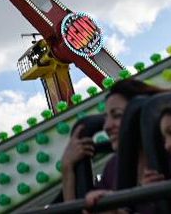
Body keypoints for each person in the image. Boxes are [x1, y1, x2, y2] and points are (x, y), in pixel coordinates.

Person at [61, 78, 162, 212]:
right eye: (107, 117)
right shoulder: (112, 168)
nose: (107, 126)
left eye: (117, 116)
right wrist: (67, 167)